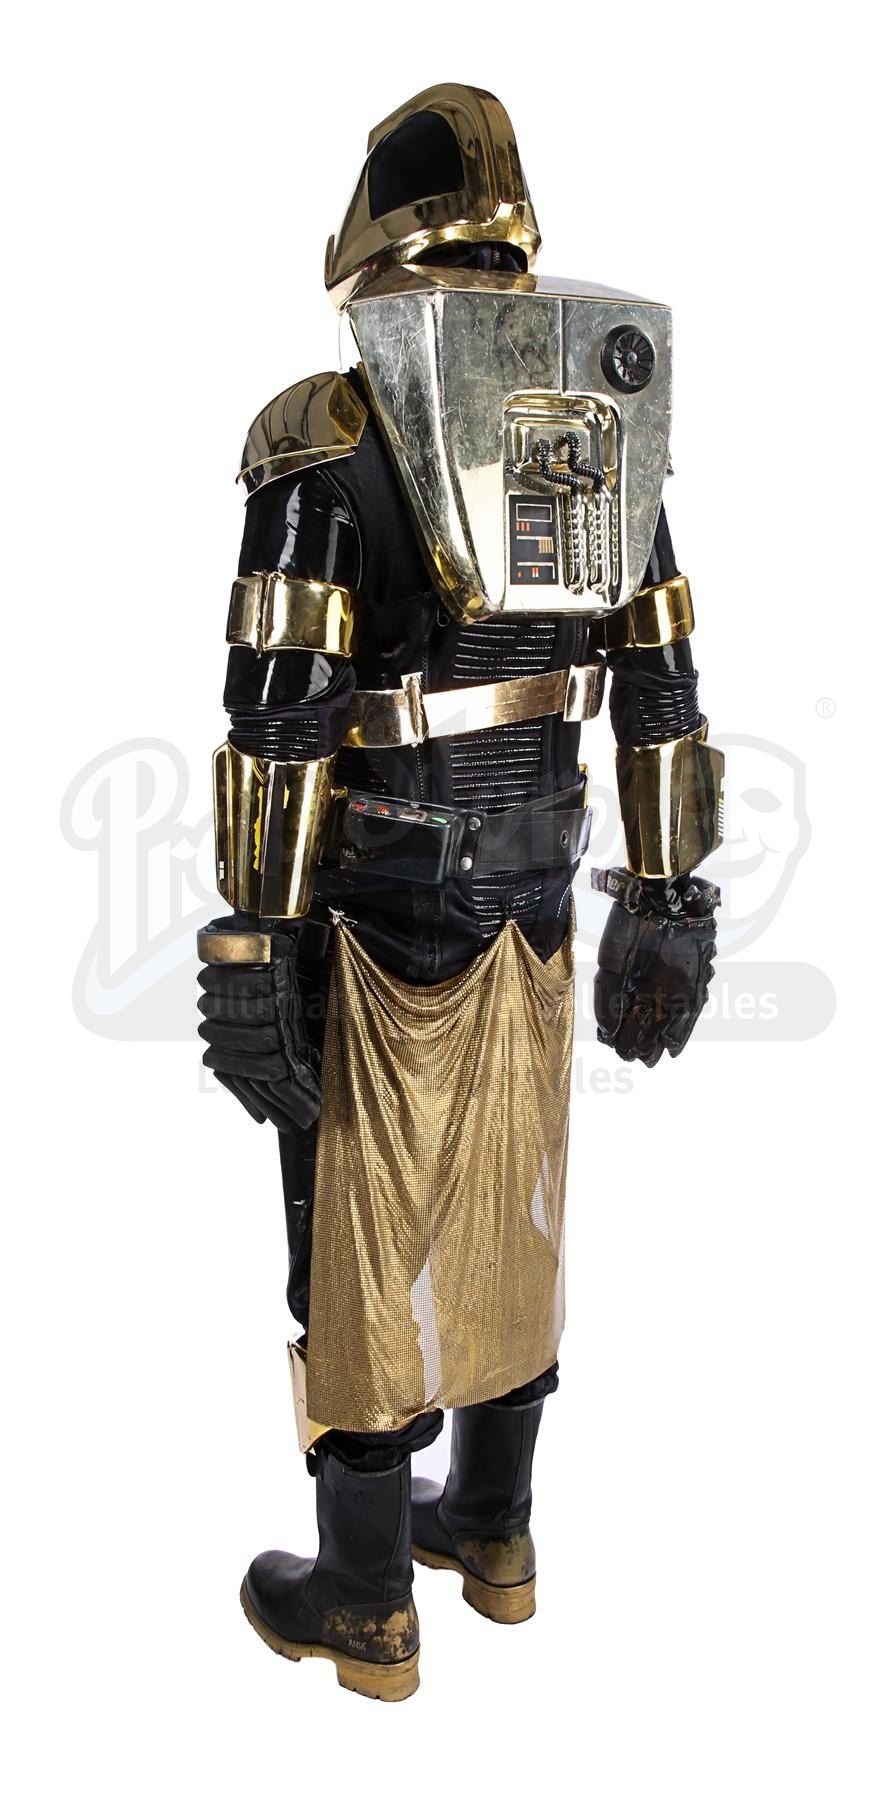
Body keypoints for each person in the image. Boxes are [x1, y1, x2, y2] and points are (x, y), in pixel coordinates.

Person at [197, 82, 723, 1701]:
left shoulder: (331, 434)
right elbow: (662, 679)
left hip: (374, 907)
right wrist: (669, 893)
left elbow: (280, 712)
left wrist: (256, 939)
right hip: (541, 893)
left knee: (354, 1239)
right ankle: (494, 1532)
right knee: (516, 1207)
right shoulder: (596, 416)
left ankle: (366, 1598)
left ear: (372, 248)